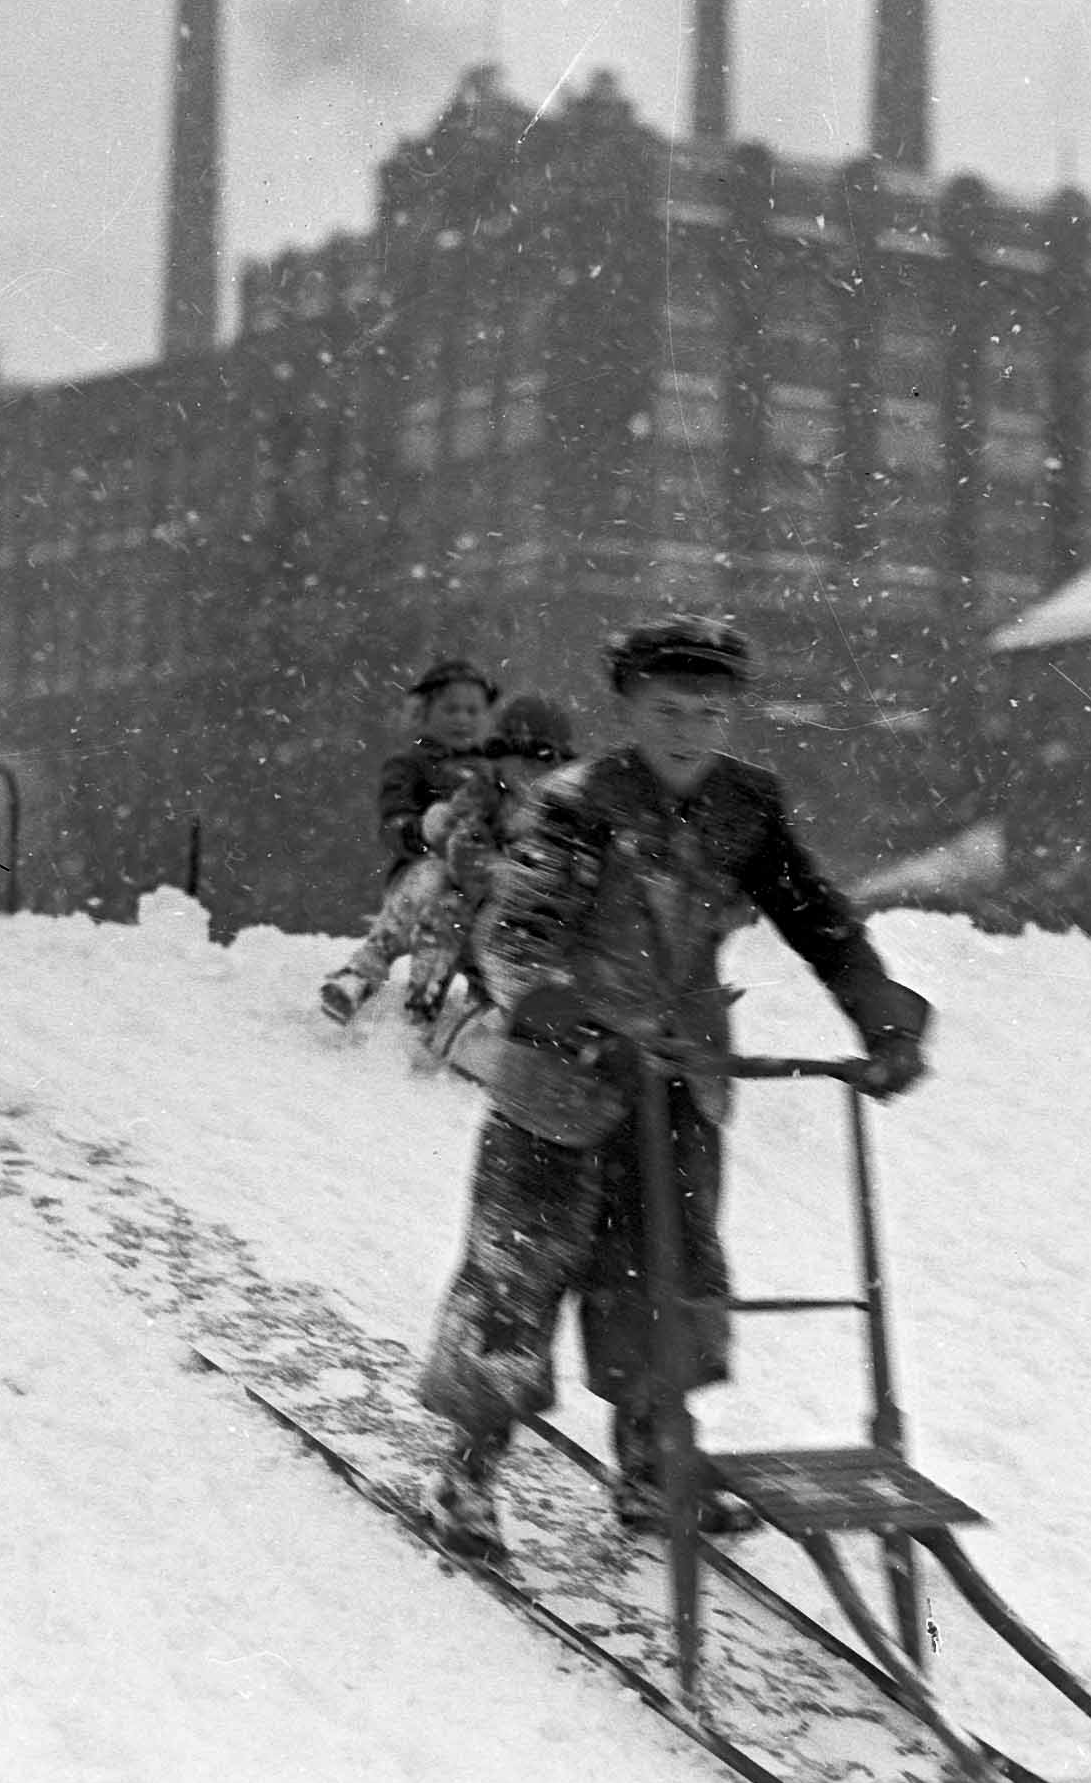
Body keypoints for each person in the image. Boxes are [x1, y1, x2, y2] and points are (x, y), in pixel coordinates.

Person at [413, 617, 932, 1557]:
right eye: (666, 710)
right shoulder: (579, 803)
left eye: (706, 711)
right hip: (559, 1082)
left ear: (729, 714)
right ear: (629, 708)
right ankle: (468, 1474)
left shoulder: (747, 806)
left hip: (681, 1077)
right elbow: (517, 935)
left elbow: (817, 917)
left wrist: (881, 1014)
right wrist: (570, 1017)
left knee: (665, 1279)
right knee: (518, 1277)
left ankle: (652, 1467)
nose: (687, 729)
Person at [318, 657, 503, 1025]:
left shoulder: (492, 772)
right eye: (451, 709)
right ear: (424, 713)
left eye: (472, 710)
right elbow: (393, 825)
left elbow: (504, 826)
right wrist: (422, 830)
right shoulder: (411, 764)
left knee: (463, 910)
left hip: (473, 884)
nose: (462, 720)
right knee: (434, 882)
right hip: (419, 881)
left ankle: (447, 1000)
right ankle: (364, 971)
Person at [398, 691, 579, 1035]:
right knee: (443, 906)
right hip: (485, 925)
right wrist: (501, 873)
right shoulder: (484, 801)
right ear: (499, 758)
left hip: (547, 938)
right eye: (519, 756)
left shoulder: (573, 817)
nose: (531, 769)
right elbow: (464, 854)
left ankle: (530, 1023)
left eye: (543, 758)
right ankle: (422, 1010)